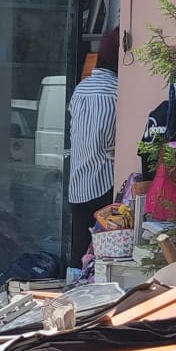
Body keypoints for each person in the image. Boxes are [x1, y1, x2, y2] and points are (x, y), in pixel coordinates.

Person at [67, 27, 121, 264]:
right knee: (106, 254)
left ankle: (72, 284)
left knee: (79, 251)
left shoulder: (81, 88)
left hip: (78, 184)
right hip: (104, 182)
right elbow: (110, 141)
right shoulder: (117, 92)